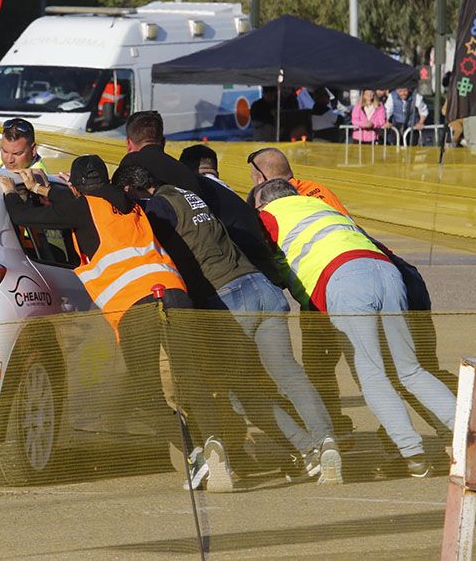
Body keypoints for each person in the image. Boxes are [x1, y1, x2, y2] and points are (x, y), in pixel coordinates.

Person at [0, 155, 237, 491]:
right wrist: (50, 189)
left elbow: (27, 216)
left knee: (146, 391)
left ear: (77, 186)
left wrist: (9, 191)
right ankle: (214, 444)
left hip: (134, 305)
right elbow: (88, 209)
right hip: (175, 294)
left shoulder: (82, 208)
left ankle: (192, 453)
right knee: (191, 375)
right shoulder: (129, 203)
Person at [114, 164, 342, 486]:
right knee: (288, 372)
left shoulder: (159, 207)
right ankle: (326, 443)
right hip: (262, 288)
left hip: (227, 297)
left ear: (132, 190)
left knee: (239, 391)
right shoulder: (189, 195)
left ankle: (304, 449)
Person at [253, 178, 457, 477]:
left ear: (262, 203)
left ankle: (413, 453)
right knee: (410, 370)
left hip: (344, 279)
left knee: (371, 375)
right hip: (385, 270)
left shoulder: (266, 216)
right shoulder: (323, 207)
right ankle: (467, 436)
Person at [121, 111, 281, 284]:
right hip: (257, 267)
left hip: (228, 274)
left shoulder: (132, 166)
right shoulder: (185, 174)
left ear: (129, 143)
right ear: (163, 142)